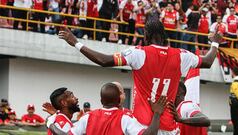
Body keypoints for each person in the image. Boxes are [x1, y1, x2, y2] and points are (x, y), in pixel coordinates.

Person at [58, 14, 222, 134]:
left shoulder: (139, 53)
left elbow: (104, 61)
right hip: (170, 128)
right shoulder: (181, 55)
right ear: (164, 35)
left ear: (146, 35)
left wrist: (76, 43)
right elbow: (207, 61)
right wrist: (215, 42)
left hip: (142, 128)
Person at [47, 82, 167, 135]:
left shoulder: (88, 117)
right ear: (119, 99)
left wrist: (51, 123)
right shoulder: (125, 118)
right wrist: (157, 113)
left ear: (101, 101)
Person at [229, 67, 238, 135]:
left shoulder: (235, 82)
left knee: (235, 121)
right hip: (236, 103)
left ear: (233, 73)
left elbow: (237, 93)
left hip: (236, 104)